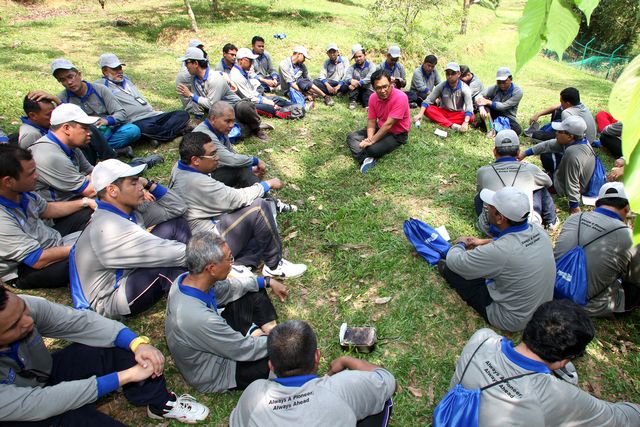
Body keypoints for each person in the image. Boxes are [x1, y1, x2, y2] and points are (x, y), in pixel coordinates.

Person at [0, 285, 209, 425]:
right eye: (14, 325)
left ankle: (160, 403)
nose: (28, 321)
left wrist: (136, 343)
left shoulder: (17, 308)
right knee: (75, 418)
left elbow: (80, 323)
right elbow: (41, 403)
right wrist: (125, 376)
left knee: (118, 345)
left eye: (24, 310)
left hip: (45, 374)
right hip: (23, 412)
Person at [446, 300, 640, 425]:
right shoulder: (558, 395)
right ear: (564, 361)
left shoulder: (483, 339)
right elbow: (620, 418)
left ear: (528, 326)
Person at [169, 132, 307, 277]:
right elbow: (238, 198)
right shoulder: (197, 183)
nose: (217, 157)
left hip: (202, 235)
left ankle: (238, 264)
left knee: (260, 232)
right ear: (196, 160)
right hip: (208, 243)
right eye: (213, 154)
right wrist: (268, 184)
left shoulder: (180, 167)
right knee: (259, 208)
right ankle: (274, 266)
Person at [165, 232, 290, 393]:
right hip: (219, 371)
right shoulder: (197, 318)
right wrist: (283, 343)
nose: (232, 263)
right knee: (285, 359)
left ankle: (268, 334)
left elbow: (229, 289)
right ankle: (269, 339)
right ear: (211, 268)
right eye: (229, 259)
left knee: (253, 290)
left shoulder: (186, 280)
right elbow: (242, 349)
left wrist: (266, 281)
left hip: (218, 340)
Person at [71, 159, 191, 318]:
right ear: (112, 191)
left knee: (176, 225)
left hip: (131, 271)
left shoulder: (128, 210)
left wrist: (149, 183)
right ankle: (191, 308)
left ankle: (196, 279)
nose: (141, 187)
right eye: (134, 183)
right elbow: (175, 254)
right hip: (111, 297)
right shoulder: (109, 228)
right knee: (168, 262)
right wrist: (210, 254)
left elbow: (178, 208)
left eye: (140, 181)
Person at [230, 320, 396, 426]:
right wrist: (346, 360)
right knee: (382, 397)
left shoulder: (254, 394)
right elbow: (387, 380)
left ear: (271, 366)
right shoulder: (343, 388)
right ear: (317, 356)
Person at [438, 186, 555, 332]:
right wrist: (481, 242)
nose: (487, 207)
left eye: (491, 206)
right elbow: (513, 242)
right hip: (540, 312)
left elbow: (455, 261)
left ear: (500, 218)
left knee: (454, 271)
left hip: (512, 319)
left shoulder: (501, 251)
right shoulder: (538, 231)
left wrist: (460, 244)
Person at [0, 145, 95, 290]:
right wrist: (81, 247)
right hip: (26, 267)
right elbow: (37, 259)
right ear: (8, 181)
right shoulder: (2, 220)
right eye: (30, 174)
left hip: (49, 240)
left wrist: (85, 202)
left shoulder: (22, 192)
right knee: (87, 257)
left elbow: (47, 209)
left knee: (90, 211)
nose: (36, 176)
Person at [554, 182, 640, 316]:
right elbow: (634, 279)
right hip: (587, 305)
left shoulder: (574, 218)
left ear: (596, 204)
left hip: (554, 288)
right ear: (627, 208)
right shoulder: (630, 237)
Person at [177, 47, 270, 140]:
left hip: (235, 108)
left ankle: (256, 128)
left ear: (196, 63)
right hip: (222, 113)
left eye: (186, 63)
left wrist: (191, 95)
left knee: (244, 107)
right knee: (230, 133)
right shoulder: (194, 79)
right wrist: (198, 117)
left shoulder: (214, 78)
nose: (185, 66)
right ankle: (248, 128)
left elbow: (211, 104)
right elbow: (199, 102)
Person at [97, 53, 190, 146]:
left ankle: (156, 136)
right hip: (136, 120)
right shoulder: (101, 86)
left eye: (120, 68)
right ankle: (175, 133)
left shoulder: (126, 79)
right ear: (105, 71)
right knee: (145, 128)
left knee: (182, 114)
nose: (119, 71)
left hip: (153, 114)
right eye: (114, 69)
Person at [476, 129, 557, 236]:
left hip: (492, 226)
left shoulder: (483, 171)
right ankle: (551, 222)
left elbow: (480, 190)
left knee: (480, 194)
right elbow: (549, 183)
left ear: (494, 152)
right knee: (540, 186)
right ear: (518, 152)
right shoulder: (530, 169)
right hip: (525, 226)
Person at [51, 58, 141, 151]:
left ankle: (99, 151)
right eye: (63, 80)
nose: (69, 82)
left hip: (108, 130)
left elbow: (121, 113)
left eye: (70, 77)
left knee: (133, 130)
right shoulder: (62, 99)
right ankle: (108, 150)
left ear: (79, 74)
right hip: (85, 135)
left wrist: (106, 121)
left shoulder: (100, 89)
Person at [518, 116, 596, 214]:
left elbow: (572, 181)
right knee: (546, 152)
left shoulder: (572, 153)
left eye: (560, 132)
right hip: (582, 181)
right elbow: (548, 145)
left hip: (565, 187)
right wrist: (524, 154)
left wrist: (574, 205)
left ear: (570, 136)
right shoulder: (580, 141)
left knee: (531, 175)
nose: (556, 133)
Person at [18, 93, 117, 164]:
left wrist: (56, 100)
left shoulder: (43, 124)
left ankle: (109, 157)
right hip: (62, 168)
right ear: (33, 115)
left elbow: (68, 116)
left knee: (86, 127)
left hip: (74, 161)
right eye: (49, 114)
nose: (53, 117)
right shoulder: (31, 134)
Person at [346, 69, 410, 174]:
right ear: (373, 87)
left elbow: (389, 124)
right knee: (351, 137)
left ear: (391, 83)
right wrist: (370, 138)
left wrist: (371, 142)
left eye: (385, 86)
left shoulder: (401, 97)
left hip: (397, 134)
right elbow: (371, 121)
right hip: (380, 128)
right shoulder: (372, 97)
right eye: (378, 88)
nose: (383, 90)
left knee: (372, 149)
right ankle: (367, 159)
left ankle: (367, 155)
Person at [30, 103, 97, 203]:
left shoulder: (72, 147)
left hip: (72, 199)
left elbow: (92, 171)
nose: (89, 133)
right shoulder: (50, 155)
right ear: (67, 128)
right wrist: (89, 179)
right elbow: (90, 191)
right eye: (85, 128)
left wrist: (90, 178)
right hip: (54, 208)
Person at [230, 48, 294, 119]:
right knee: (270, 108)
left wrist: (264, 99)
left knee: (277, 99)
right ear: (241, 60)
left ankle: (294, 106)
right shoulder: (236, 76)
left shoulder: (243, 71)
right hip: (247, 104)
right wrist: (266, 102)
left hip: (255, 98)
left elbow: (253, 92)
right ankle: (288, 112)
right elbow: (249, 98)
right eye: (250, 61)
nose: (252, 64)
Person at [413, 62, 474, 132]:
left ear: (459, 74)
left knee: (471, 117)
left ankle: (442, 121)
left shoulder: (465, 88)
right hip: (443, 112)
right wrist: (420, 114)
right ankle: (452, 125)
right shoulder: (441, 86)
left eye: (453, 73)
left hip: (457, 113)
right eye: (447, 73)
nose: (450, 76)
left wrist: (466, 122)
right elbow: (428, 100)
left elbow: (469, 107)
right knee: (427, 109)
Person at [528, 87, 596, 143]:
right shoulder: (580, 105)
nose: (561, 103)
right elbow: (556, 107)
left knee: (536, 135)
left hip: (578, 141)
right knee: (557, 111)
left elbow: (567, 137)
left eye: (561, 102)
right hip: (590, 139)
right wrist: (538, 114)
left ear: (568, 103)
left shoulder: (567, 113)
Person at [475, 67, 524, 135]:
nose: (501, 85)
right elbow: (478, 96)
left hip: (507, 116)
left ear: (511, 79)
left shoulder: (517, 92)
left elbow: (503, 106)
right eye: (499, 82)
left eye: (504, 82)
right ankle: (490, 128)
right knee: (485, 108)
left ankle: (489, 127)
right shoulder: (495, 87)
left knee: (517, 129)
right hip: (494, 113)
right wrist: (481, 108)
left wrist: (488, 102)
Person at [278, 45, 326, 110]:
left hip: (301, 87)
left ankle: (322, 96)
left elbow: (308, 79)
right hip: (289, 89)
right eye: (304, 57)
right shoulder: (284, 64)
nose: (304, 60)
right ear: (299, 54)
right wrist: (306, 93)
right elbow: (291, 84)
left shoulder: (302, 66)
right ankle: (303, 106)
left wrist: (312, 91)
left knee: (316, 82)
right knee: (293, 90)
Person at [176, 40, 208, 118]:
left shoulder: (196, 71)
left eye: (201, 48)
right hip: (192, 106)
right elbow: (211, 104)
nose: (201, 50)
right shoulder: (189, 73)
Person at [344, 44, 376, 109]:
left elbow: (370, 77)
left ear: (364, 55)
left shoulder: (371, 65)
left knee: (366, 95)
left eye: (360, 56)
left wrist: (359, 83)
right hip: (356, 89)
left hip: (368, 88)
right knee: (352, 86)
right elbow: (346, 77)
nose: (358, 59)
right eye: (356, 57)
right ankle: (353, 101)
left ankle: (366, 105)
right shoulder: (352, 67)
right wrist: (351, 80)